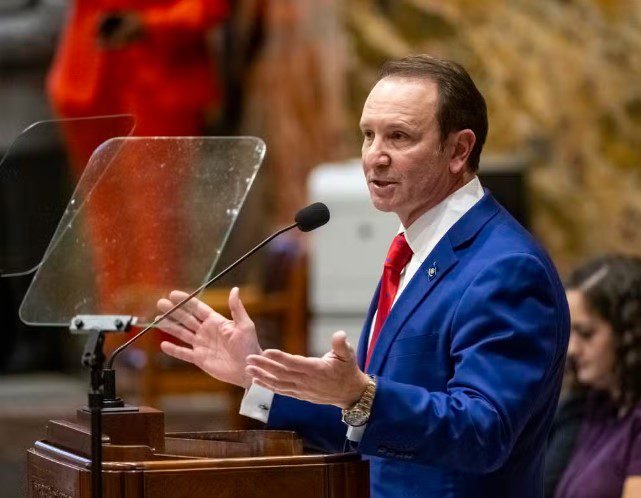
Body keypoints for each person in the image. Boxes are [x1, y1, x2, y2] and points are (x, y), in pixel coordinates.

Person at [156, 55, 570, 498]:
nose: (375, 156)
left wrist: (362, 396)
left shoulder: (506, 268)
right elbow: (373, 431)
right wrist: (257, 377)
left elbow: (484, 433)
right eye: (368, 135)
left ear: (458, 150)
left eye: (399, 137)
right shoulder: (414, 249)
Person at [553, 255, 641, 498]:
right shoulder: (598, 405)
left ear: (628, 332)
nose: (571, 349)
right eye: (570, 332)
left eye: (586, 333)